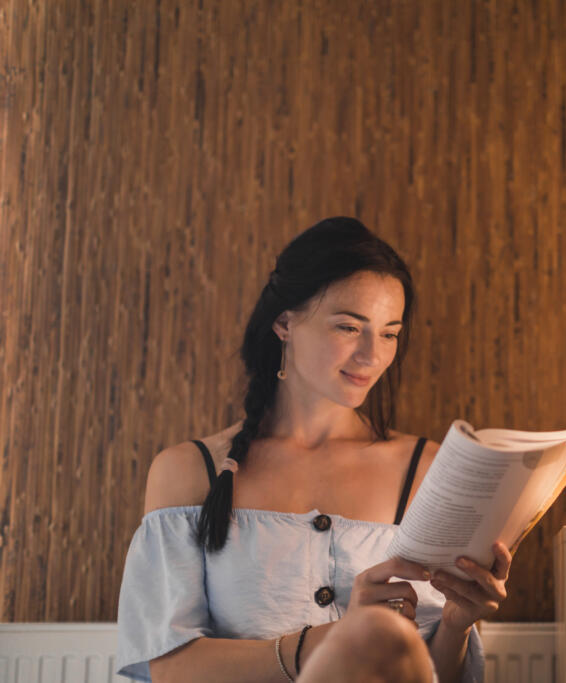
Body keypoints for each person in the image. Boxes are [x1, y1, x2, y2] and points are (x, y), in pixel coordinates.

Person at [116, 217, 510, 682]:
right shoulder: (189, 471)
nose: (372, 355)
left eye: (389, 333)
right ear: (284, 322)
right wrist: (328, 643)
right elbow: (169, 669)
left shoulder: (426, 469)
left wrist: (455, 627)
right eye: (348, 327)